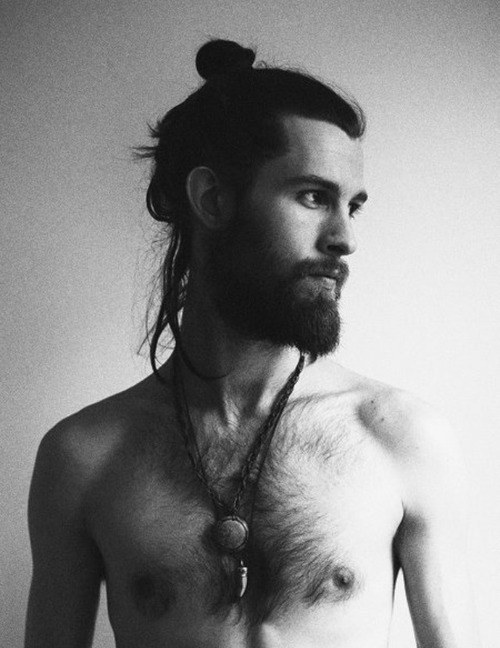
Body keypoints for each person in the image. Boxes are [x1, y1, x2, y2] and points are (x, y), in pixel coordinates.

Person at [25, 39, 479, 648]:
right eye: (314, 197)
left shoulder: (400, 437)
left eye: (353, 206)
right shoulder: (85, 458)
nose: (345, 238)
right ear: (213, 199)